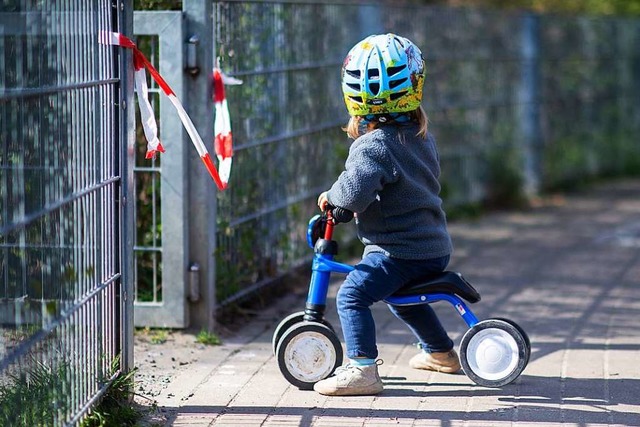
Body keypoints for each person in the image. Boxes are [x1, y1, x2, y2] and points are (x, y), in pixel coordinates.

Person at [314, 33, 458, 396]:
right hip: (431, 245)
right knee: (402, 299)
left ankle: (363, 369)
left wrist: (334, 200)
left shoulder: (374, 145)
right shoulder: (420, 136)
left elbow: (355, 189)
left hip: (399, 250)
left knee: (351, 296)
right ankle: (441, 354)